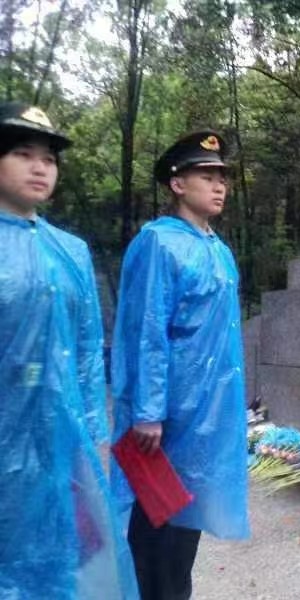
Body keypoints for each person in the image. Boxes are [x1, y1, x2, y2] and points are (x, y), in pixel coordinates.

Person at [0, 102, 139, 599]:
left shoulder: (71, 250)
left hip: (64, 437)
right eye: (22, 153)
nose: (40, 167)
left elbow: (85, 346)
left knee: (70, 555)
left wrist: (94, 434)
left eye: (50, 158)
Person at [111, 130, 250, 600]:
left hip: (207, 419)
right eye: (206, 175)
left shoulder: (220, 251)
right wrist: (147, 411)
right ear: (177, 184)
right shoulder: (159, 243)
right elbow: (146, 329)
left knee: (184, 533)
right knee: (158, 533)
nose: (219, 185)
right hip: (167, 419)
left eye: (222, 177)